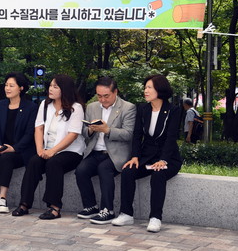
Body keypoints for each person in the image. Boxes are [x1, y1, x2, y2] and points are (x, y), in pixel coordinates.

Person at [113, 74, 183, 233]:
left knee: (158, 174)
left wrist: (163, 160)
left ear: (160, 89)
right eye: (145, 87)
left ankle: (155, 218)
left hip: (169, 157)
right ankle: (126, 214)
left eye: (149, 87)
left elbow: (171, 138)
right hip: (146, 156)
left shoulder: (173, 110)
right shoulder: (143, 109)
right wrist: (135, 156)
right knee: (128, 171)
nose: (145, 91)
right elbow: (137, 135)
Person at [11, 74, 85, 219]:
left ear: (65, 89)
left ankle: (54, 207)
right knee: (34, 161)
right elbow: (38, 128)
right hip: (48, 149)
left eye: (55, 87)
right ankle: (24, 203)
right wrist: (40, 149)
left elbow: (73, 135)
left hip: (70, 151)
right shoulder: (45, 105)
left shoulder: (76, 108)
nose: (50, 89)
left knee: (54, 163)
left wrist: (53, 151)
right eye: (50, 86)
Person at [75, 76, 136, 224]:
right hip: (95, 151)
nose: (102, 100)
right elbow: (84, 132)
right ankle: (91, 206)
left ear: (115, 92)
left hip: (116, 154)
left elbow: (128, 134)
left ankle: (107, 210)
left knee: (104, 169)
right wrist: (90, 130)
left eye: (106, 96)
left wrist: (107, 130)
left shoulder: (128, 108)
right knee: (81, 170)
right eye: (99, 96)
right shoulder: (92, 107)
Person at [0, 72, 37, 212]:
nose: (7, 88)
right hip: (1, 146)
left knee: (6, 157)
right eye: (6, 85)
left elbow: (30, 133)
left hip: (20, 151)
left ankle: (2, 198)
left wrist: (14, 148)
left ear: (21, 88)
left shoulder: (31, 107)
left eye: (11, 85)